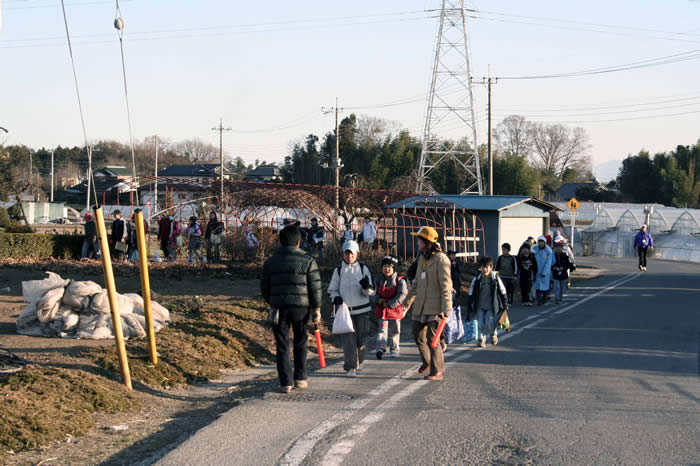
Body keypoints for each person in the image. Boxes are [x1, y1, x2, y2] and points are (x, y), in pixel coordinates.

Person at [261, 225, 322, 393]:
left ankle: (285, 382)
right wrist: (316, 308)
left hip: (278, 307)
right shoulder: (308, 261)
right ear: (299, 242)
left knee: (282, 344)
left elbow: (264, 287)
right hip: (301, 308)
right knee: (300, 341)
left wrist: (272, 301)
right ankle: (300, 378)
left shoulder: (271, 262)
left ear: (280, 241)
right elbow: (315, 288)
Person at [409, 226, 452, 381]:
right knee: (417, 335)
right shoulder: (422, 258)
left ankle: (437, 370)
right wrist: (407, 303)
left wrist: (447, 307)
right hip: (421, 304)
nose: (417, 243)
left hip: (436, 306)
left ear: (427, 242)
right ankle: (427, 362)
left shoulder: (442, 259)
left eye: (419, 240)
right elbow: (415, 284)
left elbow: (446, 285)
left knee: (432, 339)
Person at [327, 240, 375, 377]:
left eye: (352, 254)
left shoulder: (363, 268)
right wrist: (335, 298)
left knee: (361, 340)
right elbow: (332, 290)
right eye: (347, 254)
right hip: (346, 311)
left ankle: (359, 360)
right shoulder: (339, 270)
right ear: (343, 254)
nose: (349, 256)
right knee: (349, 340)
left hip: (363, 310)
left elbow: (371, 292)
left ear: (357, 253)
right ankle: (350, 367)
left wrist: (366, 287)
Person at [466, 256, 508, 348]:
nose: (484, 269)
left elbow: (502, 291)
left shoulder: (495, 278)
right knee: (479, 323)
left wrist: (505, 304)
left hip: (491, 306)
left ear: (491, 267)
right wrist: (469, 305)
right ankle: (481, 339)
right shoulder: (477, 279)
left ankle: (493, 334)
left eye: (486, 267)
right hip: (479, 305)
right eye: (482, 267)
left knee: (490, 323)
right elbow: (471, 292)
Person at [373, 256, 408, 359]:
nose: (386, 269)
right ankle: (381, 348)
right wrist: (377, 300)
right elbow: (372, 293)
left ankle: (394, 349)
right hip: (382, 310)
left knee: (395, 330)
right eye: (384, 266)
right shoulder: (378, 279)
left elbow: (402, 295)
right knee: (382, 330)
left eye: (389, 267)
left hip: (395, 310)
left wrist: (390, 304)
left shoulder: (400, 281)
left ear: (394, 268)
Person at [533, 236, 553, 305]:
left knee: (544, 289)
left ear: (545, 243)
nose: (541, 244)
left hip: (545, 272)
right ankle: (539, 301)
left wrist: (544, 272)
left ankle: (544, 299)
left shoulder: (548, 251)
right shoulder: (535, 249)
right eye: (539, 242)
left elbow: (548, 263)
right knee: (537, 287)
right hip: (537, 271)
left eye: (542, 242)